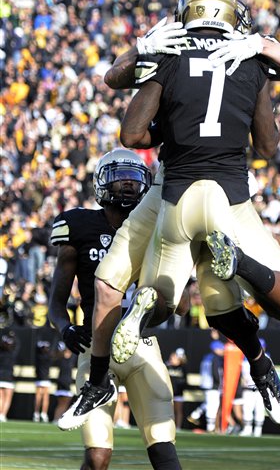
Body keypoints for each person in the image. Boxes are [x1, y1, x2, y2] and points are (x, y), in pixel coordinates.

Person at [61, 0, 280, 430]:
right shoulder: (250, 56)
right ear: (228, 14)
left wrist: (143, 53)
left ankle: (101, 376)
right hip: (231, 199)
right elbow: (272, 141)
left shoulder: (168, 52)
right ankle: (257, 351)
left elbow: (125, 117)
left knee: (116, 288)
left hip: (170, 191)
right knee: (263, 309)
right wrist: (261, 56)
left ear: (187, 11)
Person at [48, 149, 182, 470]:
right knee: (97, 455)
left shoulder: (156, 227)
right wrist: (65, 328)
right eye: (119, 177)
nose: (128, 184)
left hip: (144, 347)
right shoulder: (78, 225)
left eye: (134, 178)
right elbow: (56, 302)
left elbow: (179, 300)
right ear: (102, 183)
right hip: (96, 348)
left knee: (164, 452)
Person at [239, 338, 269, 437]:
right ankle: (247, 429)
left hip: (260, 388)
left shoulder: (267, 358)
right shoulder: (245, 357)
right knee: (247, 409)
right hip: (248, 388)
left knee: (259, 409)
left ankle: (257, 430)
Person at [53, 341, 77, 422]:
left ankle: (58, 418)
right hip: (62, 382)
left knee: (65, 403)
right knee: (62, 403)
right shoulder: (61, 358)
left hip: (67, 382)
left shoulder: (72, 358)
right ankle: (57, 418)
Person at [166, 347, 188, 430]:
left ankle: (178, 427)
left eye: (174, 357)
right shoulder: (167, 367)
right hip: (168, 392)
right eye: (172, 357)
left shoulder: (182, 367)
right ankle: (169, 426)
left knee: (178, 410)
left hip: (178, 392)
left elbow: (185, 381)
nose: (172, 359)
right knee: (168, 411)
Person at [0, 330, 19, 422]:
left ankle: (0, 415)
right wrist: (13, 335)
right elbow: (18, 345)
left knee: (1, 397)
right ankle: (3, 415)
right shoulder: (12, 353)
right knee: (7, 398)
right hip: (8, 377)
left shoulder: (1, 353)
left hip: (0, 376)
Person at [33, 339, 52, 423]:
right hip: (45, 379)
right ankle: (43, 414)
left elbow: (36, 349)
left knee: (39, 396)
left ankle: (37, 413)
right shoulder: (48, 357)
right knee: (45, 397)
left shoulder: (38, 356)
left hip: (40, 378)